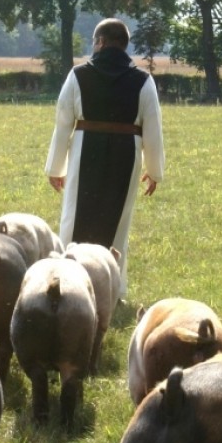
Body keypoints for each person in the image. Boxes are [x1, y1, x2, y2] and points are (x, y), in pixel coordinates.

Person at [44, 18, 165, 302]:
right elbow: (153, 127)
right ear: (124, 45)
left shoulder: (78, 75)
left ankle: (65, 278)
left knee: (73, 219)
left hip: (85, 148)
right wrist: (154, 171)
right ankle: (113, 289)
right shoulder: (143, 80)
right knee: (118, 222)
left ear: (99, 42)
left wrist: (56, 167)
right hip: (127, 152)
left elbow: (63, 122)